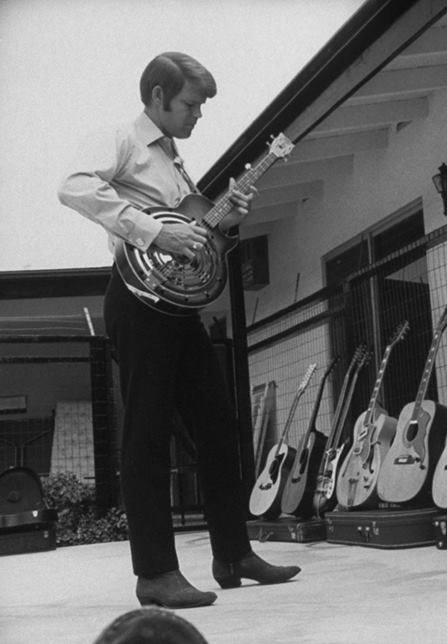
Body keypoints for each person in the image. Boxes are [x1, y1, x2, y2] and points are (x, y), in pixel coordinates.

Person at [58, 52, 299, 609]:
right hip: (136, 302)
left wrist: (224, 222)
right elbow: (72, 186)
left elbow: (195, 233)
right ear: (159, 97)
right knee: (145, 435)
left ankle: (234, 554)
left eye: (203, 106)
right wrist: (149, 232)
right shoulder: (120, 139)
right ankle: (156, 575)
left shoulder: (176, 164)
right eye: (191, 104)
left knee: (218, 426)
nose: (198, 115)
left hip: (177, 307)